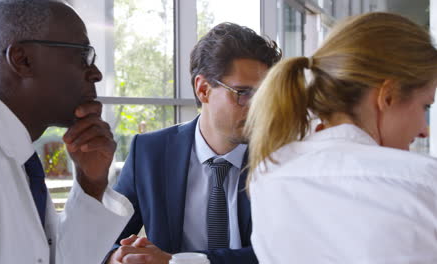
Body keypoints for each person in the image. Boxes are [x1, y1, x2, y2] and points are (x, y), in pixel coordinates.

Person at [245, 12, 437, 264]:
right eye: (425, 106)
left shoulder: (267, 177)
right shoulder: (422, 183)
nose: (424, 129)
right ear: (387, 96)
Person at [0, 1, 134, 263]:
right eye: (83, 55)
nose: (96, 73)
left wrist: (90, 185)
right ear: (23, 61)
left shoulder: (13, 151)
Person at [107, 22, 282, 264]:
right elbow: (106, 237)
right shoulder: (149, 153)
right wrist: (119, 256)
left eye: (264, 95)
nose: (257, 107)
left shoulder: (280, 156)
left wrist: (177, 261)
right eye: (243, 93)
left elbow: (280, 250)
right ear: (203, 89)